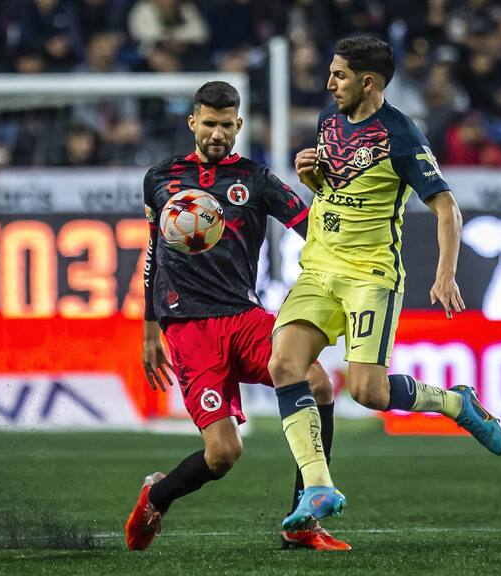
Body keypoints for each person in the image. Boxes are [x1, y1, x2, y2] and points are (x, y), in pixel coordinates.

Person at [267, 36, 501, 532]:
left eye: (339, 75)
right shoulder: (329, 119)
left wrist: (445, 274)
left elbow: (447, 208)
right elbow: (338, 188)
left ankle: (456, 402)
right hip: (318, 266)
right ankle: (318, 486)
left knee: (368, 392)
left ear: (368, 82)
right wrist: (312, 178)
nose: (329, 83)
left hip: (370, 275)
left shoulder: (401, 134)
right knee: (284, 364)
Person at [124, 81, 350, 552]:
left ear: (239, 125)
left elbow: (312, 228)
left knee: (318, 384)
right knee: (224, 454)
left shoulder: (256, 179)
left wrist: (331, 200)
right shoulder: (160, 178)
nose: (217, 134)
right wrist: (150, 330)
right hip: (188, 326)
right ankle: (156, 498)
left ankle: (303, 521)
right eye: (209, 123)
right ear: (193, 122)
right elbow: (154, 254)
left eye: (226, 125)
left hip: (245, 317)